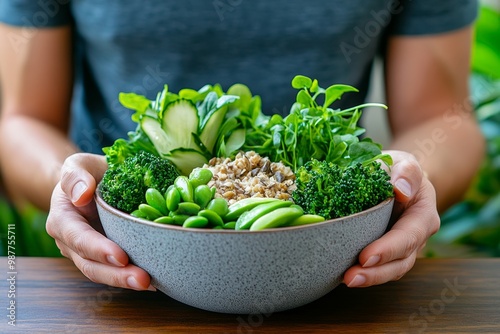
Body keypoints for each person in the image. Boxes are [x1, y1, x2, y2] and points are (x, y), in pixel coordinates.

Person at [0, 1, 485, 291]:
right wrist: (76, 189)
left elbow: (442, 118)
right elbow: (22, 120)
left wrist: (407, 184)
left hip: (331, 258)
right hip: (125, 260)